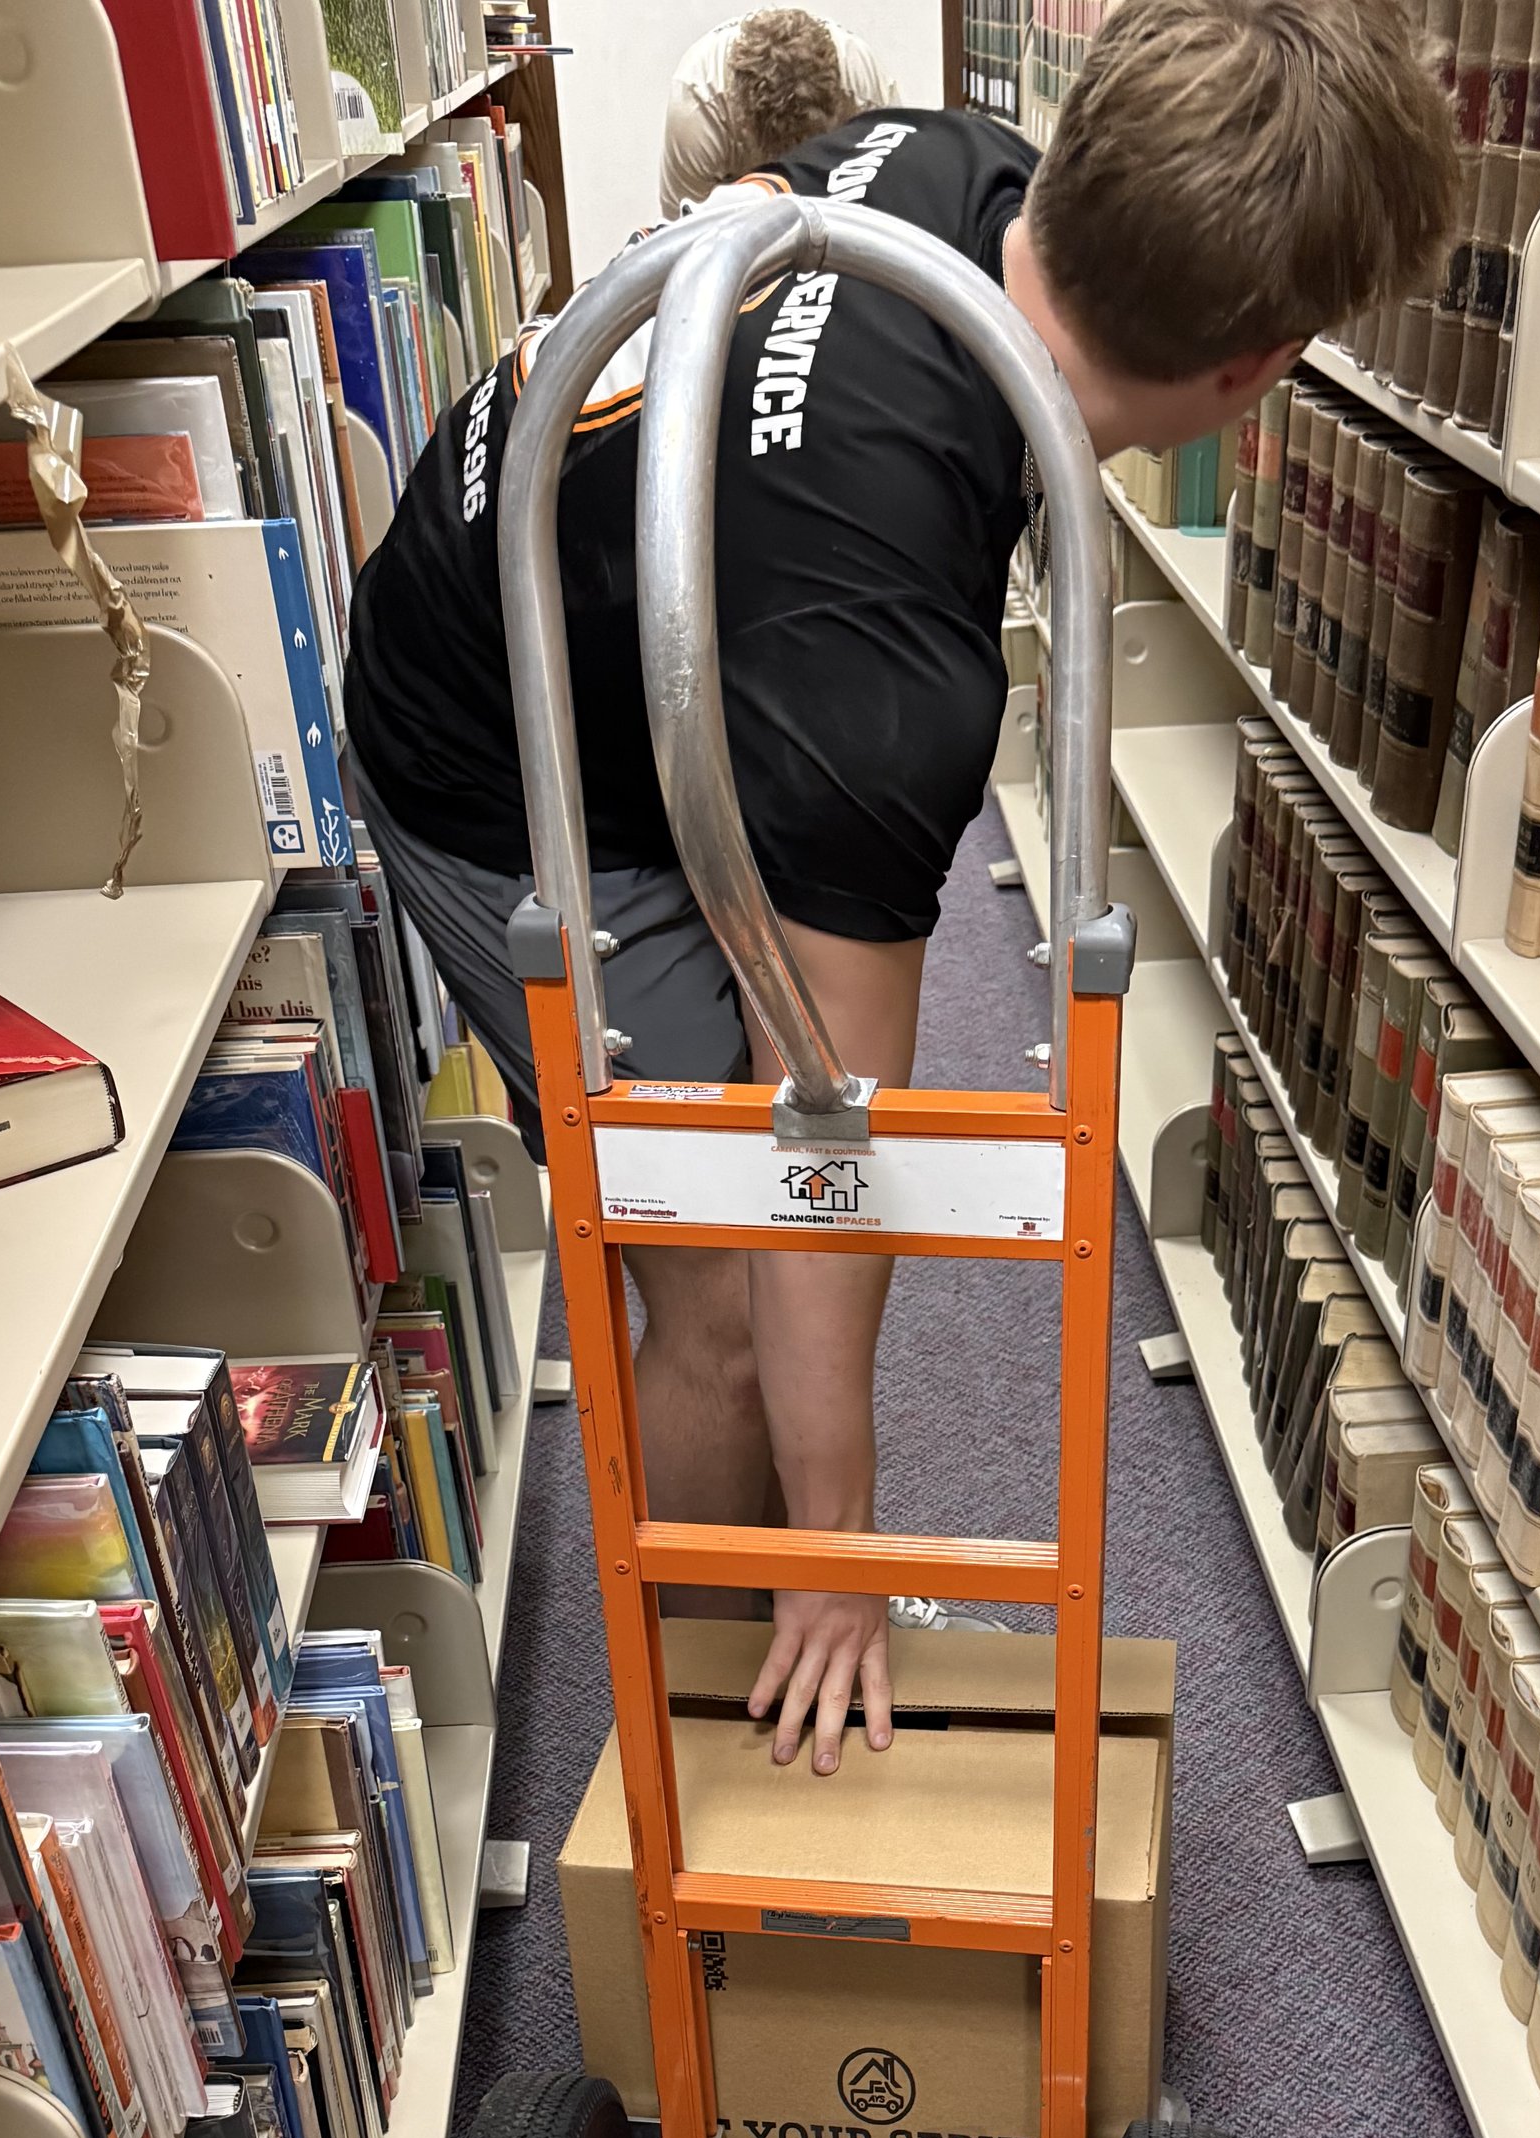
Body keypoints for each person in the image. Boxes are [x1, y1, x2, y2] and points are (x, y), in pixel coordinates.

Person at [343, 0, 1455, 1777]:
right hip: (496, 747)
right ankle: (707, 1744)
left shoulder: (957, 168)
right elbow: (826, 1148)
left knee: (755, 1176)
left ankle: (763, 1629)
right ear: (1256, 370)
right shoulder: (885, 685)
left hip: (648, 637)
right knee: (713, 1277)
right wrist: (842, 1556)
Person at [659, 9, 897, 214]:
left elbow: (896, 207)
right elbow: (683, 240)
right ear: (742, 121)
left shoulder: (863, 89)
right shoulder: (698, 108)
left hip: (838, 196)